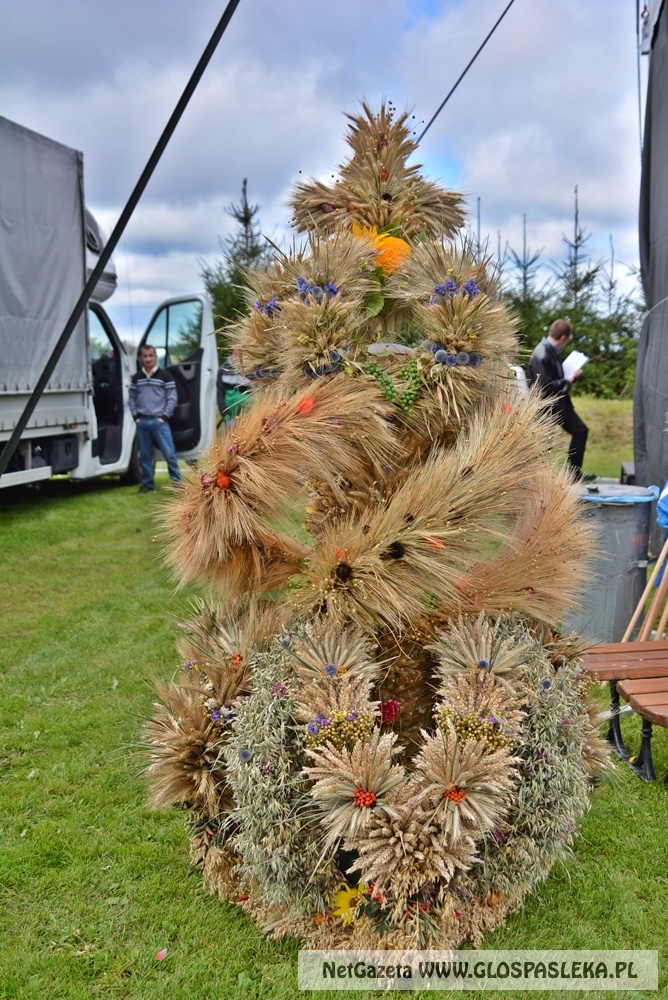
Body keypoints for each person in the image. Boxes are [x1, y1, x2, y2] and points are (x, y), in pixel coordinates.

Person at [528, 319, 595, 482]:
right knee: (544, 444)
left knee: (580, 431)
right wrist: (568, 381)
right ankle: (537, 479)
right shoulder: (542, 353)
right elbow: (546, 385)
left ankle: (573, 474)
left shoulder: (549, 349)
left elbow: (555, 376)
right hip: (548, 405)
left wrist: (570, 377)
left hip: (559, 402)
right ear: (564, 337)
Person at [129, 344, 181, 493]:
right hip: (142, 421)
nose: (148, 359)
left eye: (151, 355)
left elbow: (172, 398)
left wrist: (164, 417)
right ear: (140, 358)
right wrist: (136, 417)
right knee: (145, 456)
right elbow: (132, 398)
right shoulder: (137, 378)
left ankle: (178, 485)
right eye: (145, 356)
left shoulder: (165, 376)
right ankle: (148, 485)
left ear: (155, 356)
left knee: (170, 454)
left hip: (160, 421)